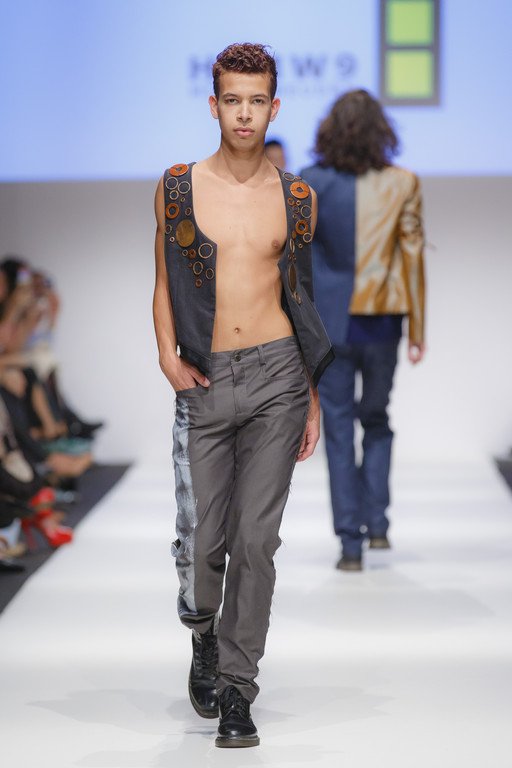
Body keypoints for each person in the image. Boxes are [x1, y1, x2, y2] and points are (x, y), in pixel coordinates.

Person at [153, 43, 333, 748]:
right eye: (233, 100)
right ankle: (203, 631)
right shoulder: (177, 187)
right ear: (214, 105)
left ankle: (237, 687)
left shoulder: (297, 198)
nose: (245, 113)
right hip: (203, 374)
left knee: (257, 540)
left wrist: (309, 395)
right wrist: (166, 356)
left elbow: (300, 298)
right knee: (204, 540)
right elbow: (165, 279)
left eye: (257, 100)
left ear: (274, 106)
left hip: (277, 376)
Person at [301, 89, 426, 572]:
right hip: (382, 322)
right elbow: (412, 258)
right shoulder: (402, 182)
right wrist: (418, 326)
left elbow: (297, 262)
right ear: (381, 131)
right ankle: (377, 525)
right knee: (375, 419)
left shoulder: (310, 183)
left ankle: (350, 546)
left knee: (337, 429)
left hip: (330, 327)